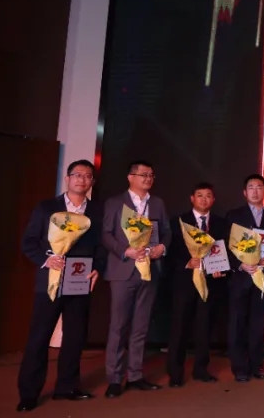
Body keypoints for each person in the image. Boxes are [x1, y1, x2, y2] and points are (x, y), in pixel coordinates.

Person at [16, 160, 105, 412]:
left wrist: (98, 267)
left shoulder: (97, 211)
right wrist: (46, 260)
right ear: (67, 178)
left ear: (92, 182)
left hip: (80, 281)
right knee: (39, 337)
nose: (82, 180)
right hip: (49, 281)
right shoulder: (47, 208)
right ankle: (29, 393)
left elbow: (101, 246)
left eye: (87, 176)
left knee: (75, 337)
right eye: (77, 175)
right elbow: (28, 242)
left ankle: (67, 386)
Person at [101, 161, 171, 398]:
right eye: (143, 175)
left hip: (149, 270)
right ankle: (114, 378)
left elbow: (167, 232)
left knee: (141, 327)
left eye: (151, 175)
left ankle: (135, 376)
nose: (148, 178)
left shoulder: (157, 203)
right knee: (118, 326)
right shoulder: (115, 203)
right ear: (130, 177)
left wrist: (162, 247)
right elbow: (106, 234)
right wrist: (125, 251)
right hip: (123, 270)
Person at [166, 183, 228, 387]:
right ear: (192, 198)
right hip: (184, 282)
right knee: (179, 328)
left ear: (213, 200)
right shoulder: (178, 221)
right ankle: (175, 373)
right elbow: (171, 250)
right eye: (200, 195)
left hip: (210, 283)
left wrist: (221, 268)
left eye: (208, 195)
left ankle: (201, 369)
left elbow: (224, 251)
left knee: (204, 327)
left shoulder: (220, 223)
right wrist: (187, 261)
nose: (204, 199)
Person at [225, 174, 264, 382]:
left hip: (263, 277)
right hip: (240, 277)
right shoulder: (234, 216)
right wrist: (239, 264)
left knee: (258, 322)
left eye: (259, 187)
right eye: (251, 187)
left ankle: (256, 364)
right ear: (244, 192)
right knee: (237, 322)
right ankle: (239, 367)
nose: (255, 191)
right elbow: (225, 246)